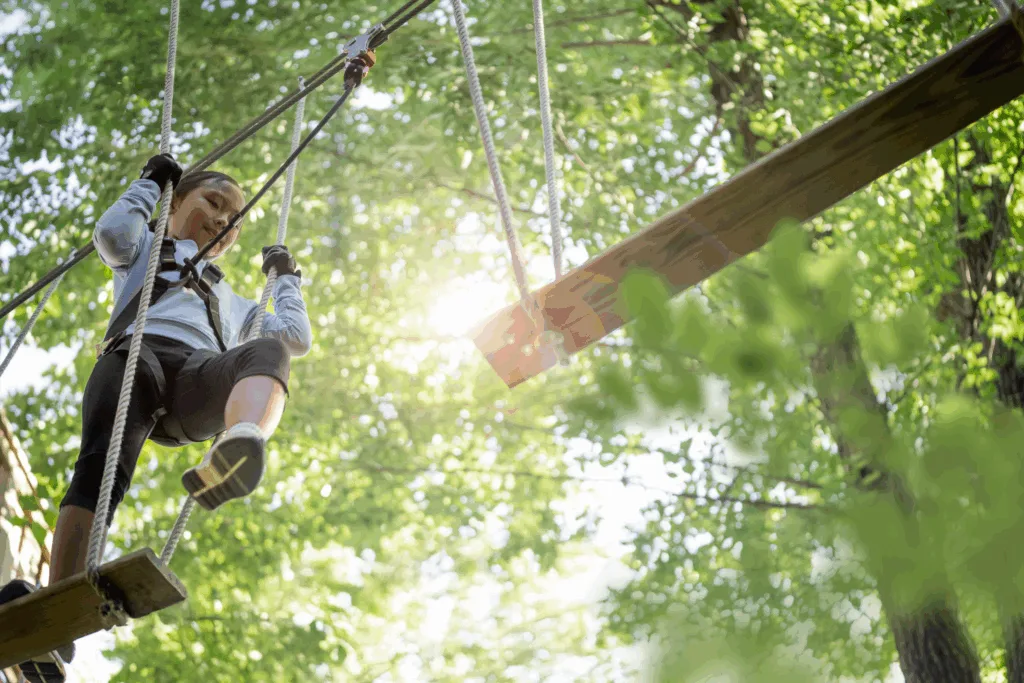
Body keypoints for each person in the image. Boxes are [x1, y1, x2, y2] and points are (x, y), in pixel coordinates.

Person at [0, 153, 313, 683]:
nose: (222, 220)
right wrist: (150, 186)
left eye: (232, 218)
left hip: (196, 383)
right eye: (212, 202)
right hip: (135, 360)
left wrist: (286, 279)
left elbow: (294, 338)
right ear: (177, 205)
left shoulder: (236, 305)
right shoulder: (147, 248)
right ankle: (57, 613)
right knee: (100, 471)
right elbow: (114, 235)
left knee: (269, 354)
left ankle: (238, 443)